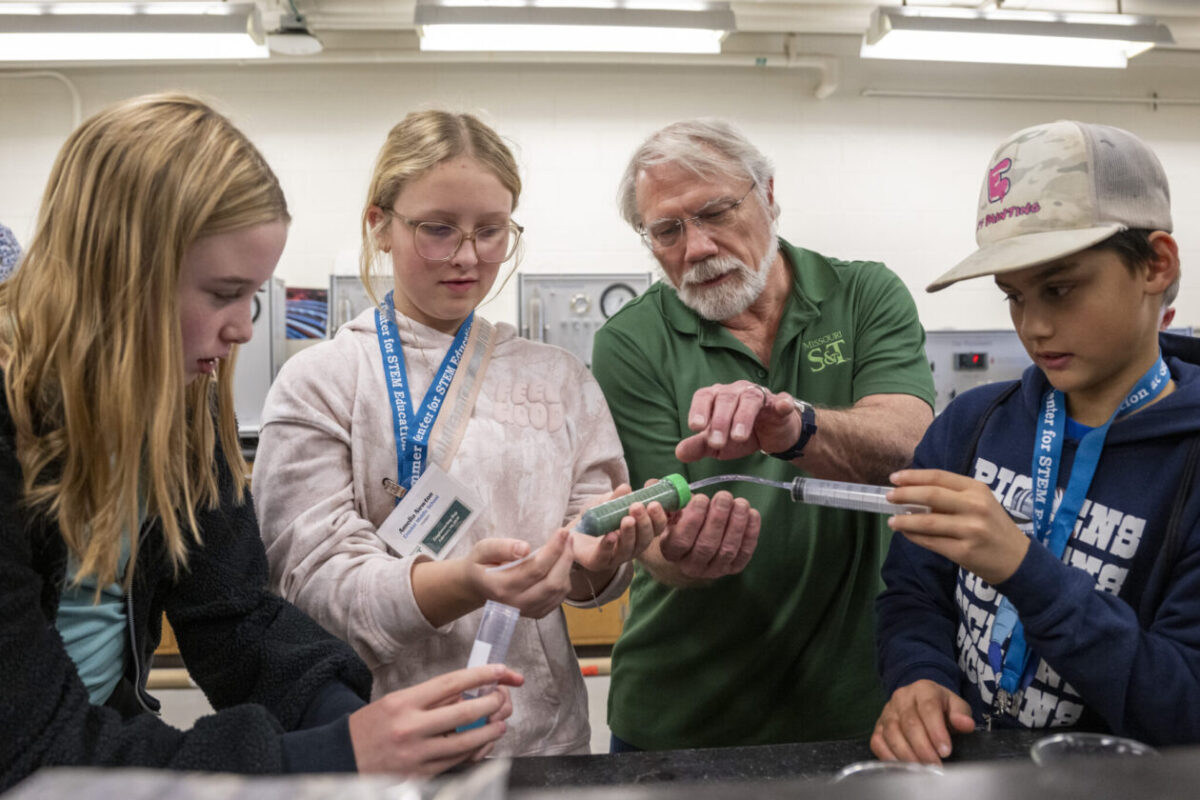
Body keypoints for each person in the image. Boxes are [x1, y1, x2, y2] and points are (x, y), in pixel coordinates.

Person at [0, 94, 522, 791]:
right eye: (222, 293)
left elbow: (235, 618)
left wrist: (357, 719)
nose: (246, 326)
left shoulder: (174, 407)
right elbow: (29, 743)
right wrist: (330, 755)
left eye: (253, 295)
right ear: (119, 275)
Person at [252, 110, 666, 757]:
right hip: (377, 739)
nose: (468, 257)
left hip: (538, 741)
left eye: (491, 231)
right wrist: (466, 583)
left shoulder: (557, 377)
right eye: (438, 229)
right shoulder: (322, 381)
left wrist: (599, 560)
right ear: (379, 223)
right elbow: (312, 586)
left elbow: (589, 541)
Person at [591, 119, 935, 751]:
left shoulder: (863, 294)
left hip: (853, 705)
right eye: (667, 230)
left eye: (716, 212)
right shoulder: (629, 344)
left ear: (768, 194)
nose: (696, 248)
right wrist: (680, 558)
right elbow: (652, 537)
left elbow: (911, 445)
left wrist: (795, 426)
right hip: (684, 715)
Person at [873, 120, 1200, 765]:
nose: (1034, 326)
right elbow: (914, 592)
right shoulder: (972, 425)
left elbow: (1186, 707)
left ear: (1155, 266)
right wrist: (918, 676)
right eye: (1013, 297)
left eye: (1060, 288)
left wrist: (1025, 571)